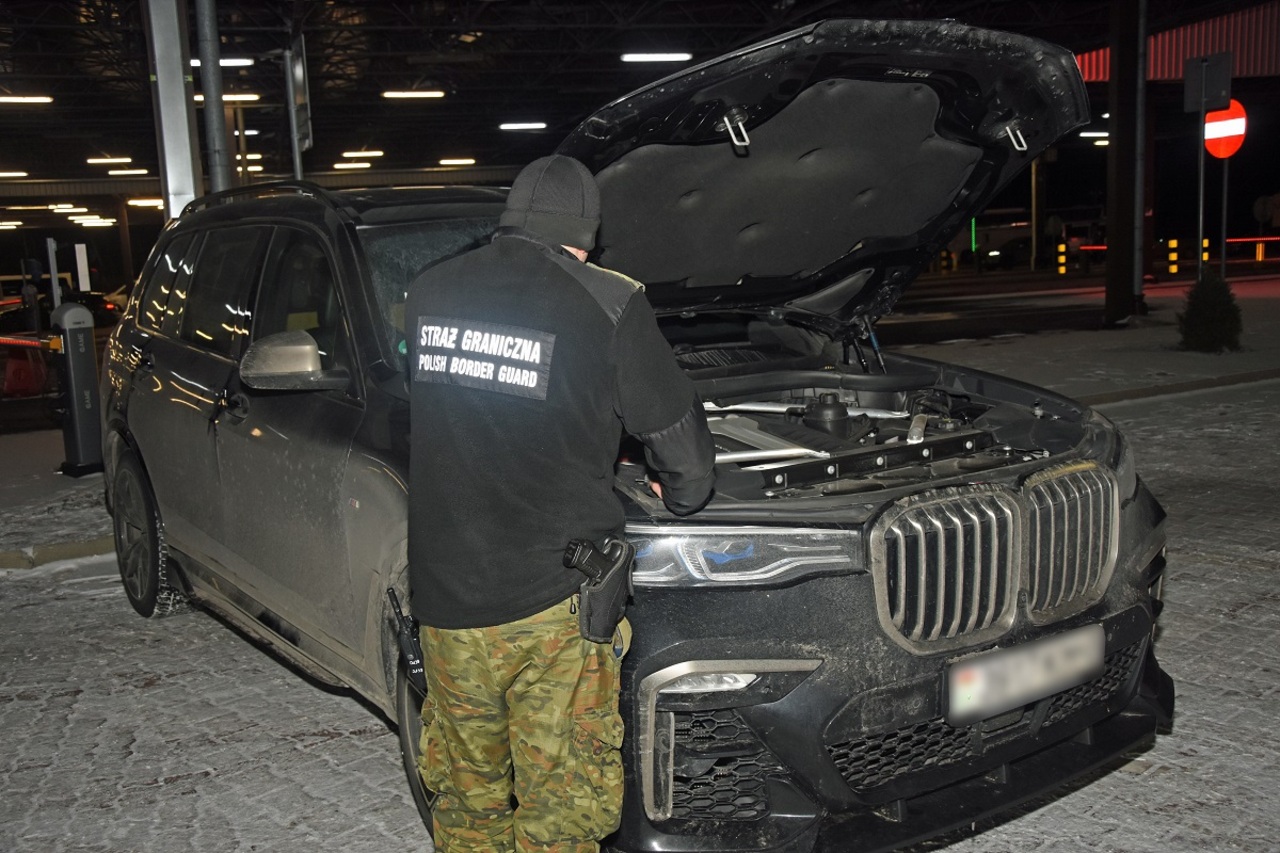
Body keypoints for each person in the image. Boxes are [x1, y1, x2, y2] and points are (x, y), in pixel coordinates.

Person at [404, 154, 717, 852]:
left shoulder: (428, 291)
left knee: (467, 803)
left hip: (447, 603)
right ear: (586, 236)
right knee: (562, 814)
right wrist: (677, 490)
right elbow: (687, 457)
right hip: (553, 609)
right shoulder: (609, 301)